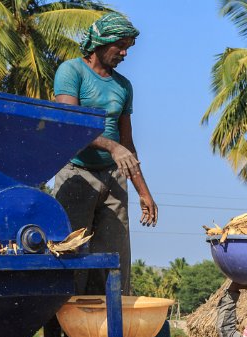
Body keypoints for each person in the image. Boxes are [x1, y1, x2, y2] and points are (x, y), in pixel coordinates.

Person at [52, 10, 158, 296]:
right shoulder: (71, 71)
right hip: (76, 174)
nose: (124, 53)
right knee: (68, 254)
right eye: (120, 45)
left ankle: (104, 332)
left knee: (114, 260)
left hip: (113, 179)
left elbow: (128, 144)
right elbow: (70, 124)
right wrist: (112, 147)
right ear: (100, 42)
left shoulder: (123, 86)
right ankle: (68, 332)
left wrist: (143, 191)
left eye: (128, 47)